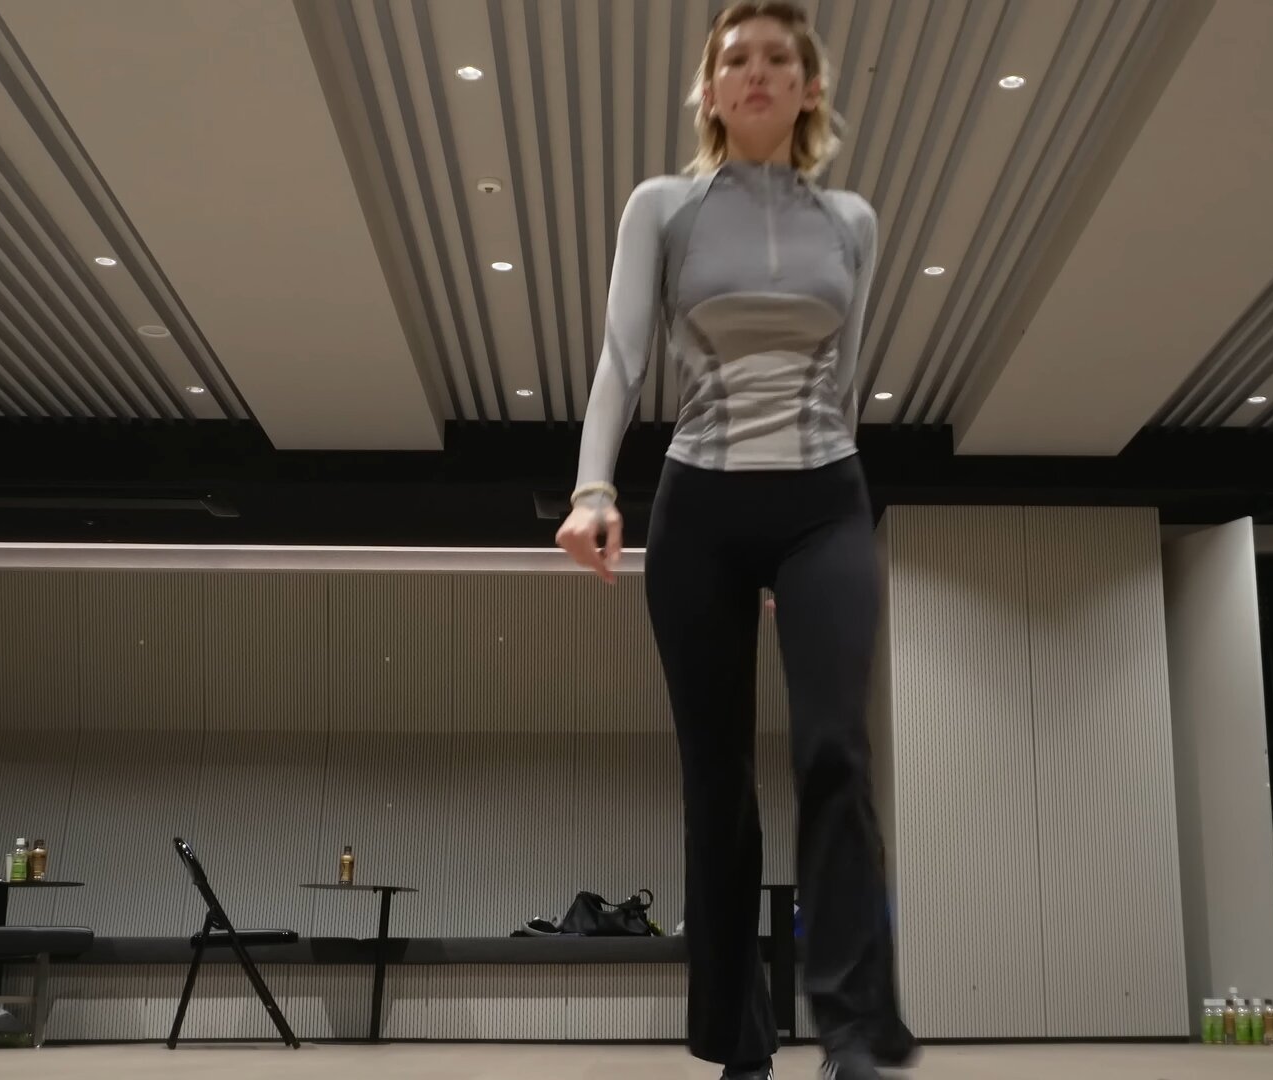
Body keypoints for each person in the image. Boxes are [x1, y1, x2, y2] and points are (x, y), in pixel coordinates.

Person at [555, 4, 915, 1079]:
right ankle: (739, 1043)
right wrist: (592, 486)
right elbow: (622, 359)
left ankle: (851, 1029)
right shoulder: (663, 207)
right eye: (735, 60)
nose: (756, 72)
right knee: (717, 782)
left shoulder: (851, 221)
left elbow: (844, 378)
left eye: (778, 58)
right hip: (702, 508)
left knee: (834, 751)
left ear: (810, 87)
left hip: (823, 499)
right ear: (710, 90)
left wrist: (810, 560)